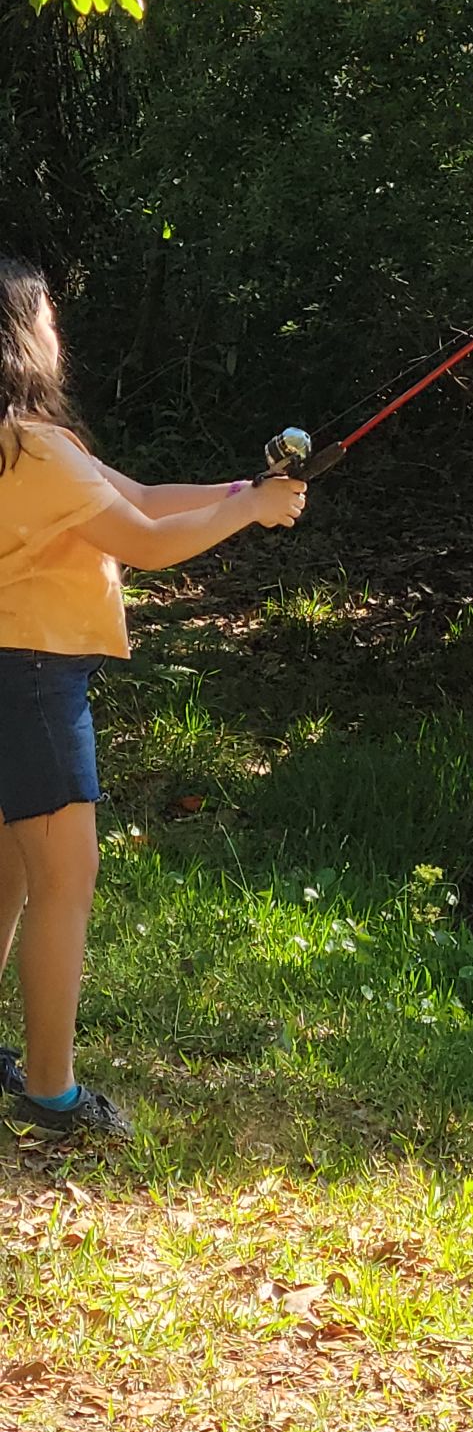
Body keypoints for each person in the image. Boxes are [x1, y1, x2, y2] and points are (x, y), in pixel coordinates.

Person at [0, 257, 308, 1141]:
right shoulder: (37, 449)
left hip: (9, 670)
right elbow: (144, 541)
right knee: (66, 880)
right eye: (49, 317)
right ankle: (52, 1095)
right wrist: (250, 514)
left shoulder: (27, 447)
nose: (59, 332)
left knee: (13, 874)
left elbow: (138, 498)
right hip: (35, 679)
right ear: (23, 333)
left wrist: (245, 494)